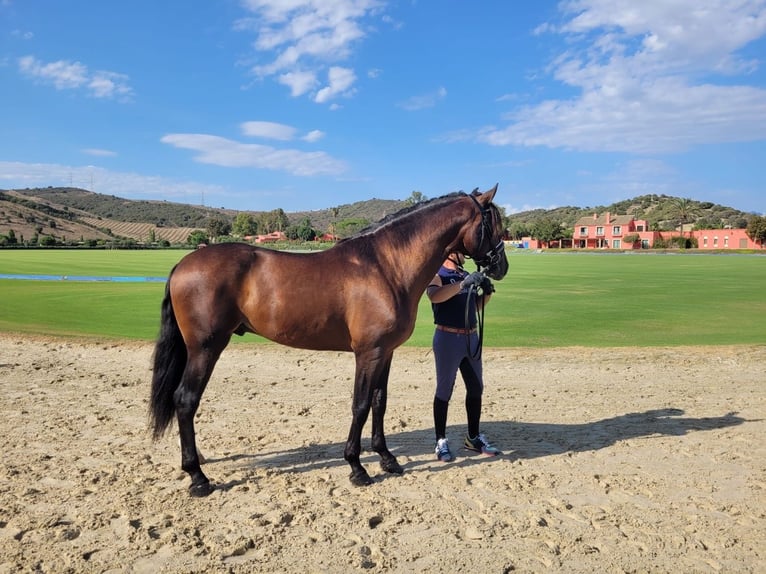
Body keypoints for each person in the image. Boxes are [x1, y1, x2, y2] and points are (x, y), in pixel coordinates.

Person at [426, 252, 502, 462]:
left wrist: (486, 294)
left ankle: (473, 437)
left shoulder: (465, 274)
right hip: (447, 338)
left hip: (471, 338)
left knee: (476, 388)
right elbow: (435, 296)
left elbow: (473, 306)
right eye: (461, 251)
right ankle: (440, 440)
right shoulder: (436, 274)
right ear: (451, 252)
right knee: (444, 390)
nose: (465, 255)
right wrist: (462, 285)